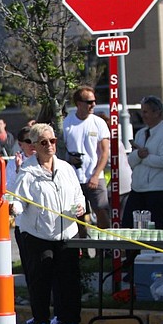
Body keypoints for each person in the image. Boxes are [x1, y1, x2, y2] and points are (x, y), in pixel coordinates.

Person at [12, 123, 86, 324]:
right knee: (40, 279)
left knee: (70, 280)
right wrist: (14, 207)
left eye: (52, 141)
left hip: (67, 233)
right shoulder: (28, 171)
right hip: (38, 235)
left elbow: (78, 195)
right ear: (34, 146)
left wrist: (80, 206)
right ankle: (42, 323)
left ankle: (71, 322)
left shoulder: (66, 168)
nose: (49, 146)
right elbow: (18, 200)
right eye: (44, 142)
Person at [122, 95, 163, 229]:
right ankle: (132, 251)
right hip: (138, 188)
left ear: (157, 113)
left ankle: (160, 250)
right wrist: (139, 155)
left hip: (157, 189)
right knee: (128, 224)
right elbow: (131, 161)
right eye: (142, 111)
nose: (143, 115)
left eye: (145, 111)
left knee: (156, 226)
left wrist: (144, 157)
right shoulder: (141, 133)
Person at [63, 86, 111, 236]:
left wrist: (96, 175)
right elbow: (60, 149)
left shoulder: (98, 122)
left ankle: (105, 250)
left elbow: (104, 152)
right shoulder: (67, 122)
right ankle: (82, 250)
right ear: (78, 103)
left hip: (95, 176)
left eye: (94, 101)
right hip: (74, 178)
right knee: (78, 214)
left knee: (101, 210)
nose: (93, 105)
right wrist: (69, 158)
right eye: (89, 102)